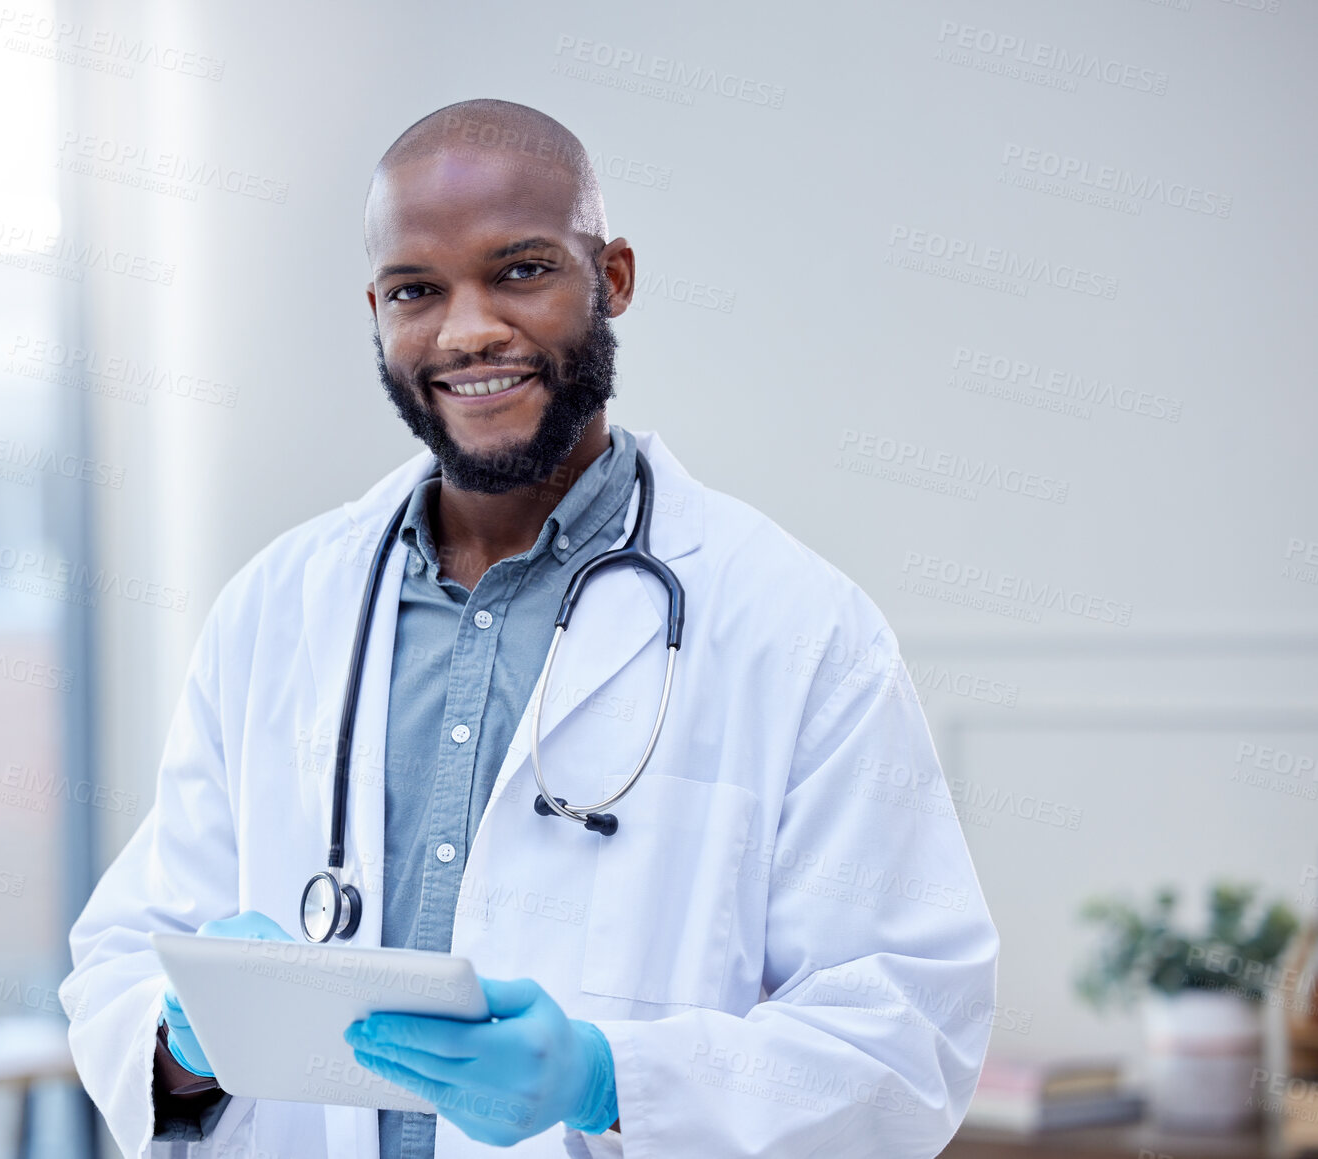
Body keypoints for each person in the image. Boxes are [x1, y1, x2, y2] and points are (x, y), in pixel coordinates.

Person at [60, 98, 999, 1159]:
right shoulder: (276, 611)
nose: (468, 331)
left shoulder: (797, 628)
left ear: (615, 278)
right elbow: (125, 961)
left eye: (520, 270)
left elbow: (907, 1033)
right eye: (417, 289)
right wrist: (184, 1041)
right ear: (376, 308)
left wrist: (611, 1082)